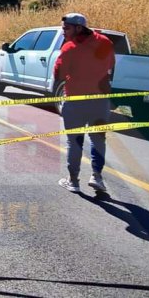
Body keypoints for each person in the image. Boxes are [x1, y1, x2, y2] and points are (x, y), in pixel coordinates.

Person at [53, 12, 115, 193]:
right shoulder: (105, 42)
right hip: (100, 102)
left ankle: (73, 181)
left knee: (75, 141)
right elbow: (110, 64)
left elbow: (58, 74)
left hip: (76, 101)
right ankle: (97, 176)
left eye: (66, 28)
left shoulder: (69, 48)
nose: (63, 32)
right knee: (98, 140)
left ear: (78, 28)